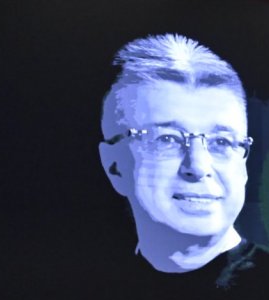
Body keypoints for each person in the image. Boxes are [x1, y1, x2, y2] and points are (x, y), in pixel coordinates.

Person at [99, 34, 254, 274]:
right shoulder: (85, 285)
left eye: (221, 142)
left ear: (243, 166)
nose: (199, 166)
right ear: (115, 167)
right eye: (167, 139)